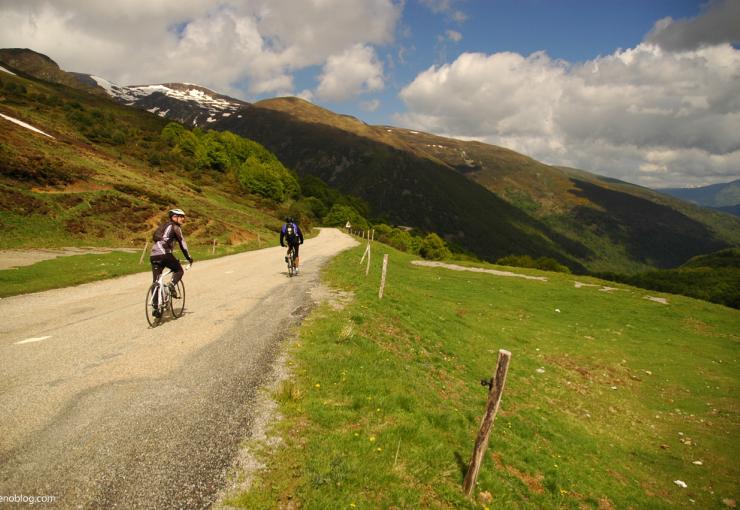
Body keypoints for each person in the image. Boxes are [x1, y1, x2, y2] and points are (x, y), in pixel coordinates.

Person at [150, 208, 193, 315]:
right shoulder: (175, 227)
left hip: (153, 255)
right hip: (165, 254)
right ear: (174, 217)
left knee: (156, 281)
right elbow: (182, 244)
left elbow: (155, 237)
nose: (183, 219)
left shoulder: (162, 226)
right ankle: (171, 285)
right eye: (181, 216)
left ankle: (156, 308)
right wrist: (189, 258)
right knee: (179, 270)